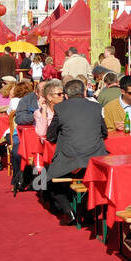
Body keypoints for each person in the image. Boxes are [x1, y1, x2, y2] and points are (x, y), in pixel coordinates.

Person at [44, 77, 108, 215]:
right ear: (84, 92)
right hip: (96, 157)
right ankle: (86, 209)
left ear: (66, 95)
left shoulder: (60, 108)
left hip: (71, 158)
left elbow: (50, 136)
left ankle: (68, 210)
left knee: (48, 179)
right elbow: (104, 132)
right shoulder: (96, 107)